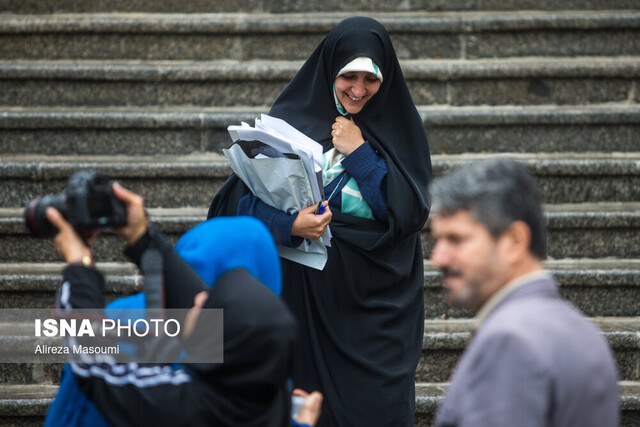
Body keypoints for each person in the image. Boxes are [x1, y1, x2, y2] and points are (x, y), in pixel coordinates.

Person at [208, 16, 432, 426]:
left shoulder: (401, 136)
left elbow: (405, 215)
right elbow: (231, 208)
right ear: (331, 69)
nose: (358, 90)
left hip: (372, 316)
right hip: (302, 307)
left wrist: (361, 152)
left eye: (371, 79)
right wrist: (288, 227)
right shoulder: (288, 125)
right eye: (349, 76)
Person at [44, 182, 323, 427]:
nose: (200, 297)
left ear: (215, 340)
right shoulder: (267, 385)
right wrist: (142, 237)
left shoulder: (186, 405)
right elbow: (197, 301)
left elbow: (94, 364)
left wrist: (80, 266)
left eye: (210, 303)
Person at [429, 159, 619, 427]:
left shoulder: (509, 341)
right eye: (437, 240)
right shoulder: (581, 328)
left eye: (456, 239)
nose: (438, 258)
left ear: (515, 241)